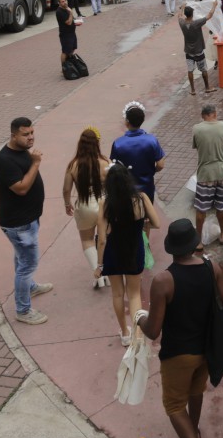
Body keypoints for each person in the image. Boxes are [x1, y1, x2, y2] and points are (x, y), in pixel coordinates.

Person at [137, 218, 223, 438]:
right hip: (206, 348)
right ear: (194, 245)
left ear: (171, 248)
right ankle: (194, 430)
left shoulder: (164, 281)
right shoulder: (212, 268)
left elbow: (153, 331)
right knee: (195, 391)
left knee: (174, 405)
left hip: (178, 354)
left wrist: (140, 318)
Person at [0, 117, 52, 325]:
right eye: (25, 134)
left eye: (32, 133)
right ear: (13, 135)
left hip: (28, 219)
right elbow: (21, 188)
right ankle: (23, 309)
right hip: (19, 223)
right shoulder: (4, 160)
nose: (31, 137)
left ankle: (29, 287)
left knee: (22, 258)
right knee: (27, 264)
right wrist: (35, 163)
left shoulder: (21, 151)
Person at [96, 161, 161, 346]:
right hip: (135, 250)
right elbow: (157, 223)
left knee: (117, 294)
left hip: (113, 252)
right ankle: (138, 336)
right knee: (134, 295)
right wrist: (144, 222)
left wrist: (99, 265)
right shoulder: (141, 198)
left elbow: (101, 239)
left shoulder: (105, 203)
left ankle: (124, 332)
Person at [63, 126, 109, 289]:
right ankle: (106, 273)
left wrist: (67, 203)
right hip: (104, 203)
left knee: (87, 240)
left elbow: (67, 189)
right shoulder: (105, 163)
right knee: (104, 239)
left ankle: (98, 276)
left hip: (84, 205)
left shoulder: (73, 165)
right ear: (97, 144)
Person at [191, 105, 223, 246]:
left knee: (201, 208)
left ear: (203, 116)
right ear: (215, 114)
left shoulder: (197, 129)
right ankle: (222, 234)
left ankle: (198, 241)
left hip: (205, 174)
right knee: (221, 206)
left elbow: (198, 148)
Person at [110, 101, 166, 204]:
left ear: (127, 122)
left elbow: (114, 168)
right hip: (147, 187)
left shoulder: (118, 144)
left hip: (127, 189)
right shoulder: (151, 140)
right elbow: (161, 164)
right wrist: (151, 171)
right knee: (148, 214)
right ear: (142, 120)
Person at [179, 6, 216, 95]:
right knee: (203, 69)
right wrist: (214, 5)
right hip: (198, 51)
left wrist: (182, 8)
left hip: (188, 51)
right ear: (192, 14)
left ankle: (192, 90)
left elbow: (179, 15)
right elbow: (209, 15)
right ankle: (207, 87)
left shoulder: (182, 23)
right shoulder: (196, 23)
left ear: (185, 14)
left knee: (190, 70)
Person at [56, 0, 81, 66]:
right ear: (59, 3)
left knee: (73, 48)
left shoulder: (67, 8)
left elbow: (72, 20)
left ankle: (69, 63)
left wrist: (76, 22)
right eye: (63, 2)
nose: (65, 3)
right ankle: (64, 67)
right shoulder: (59, 12)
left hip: (72, 33)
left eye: (65, 1)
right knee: (65, 51)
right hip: (65, 35)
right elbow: (68, 23)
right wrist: (70, 13)